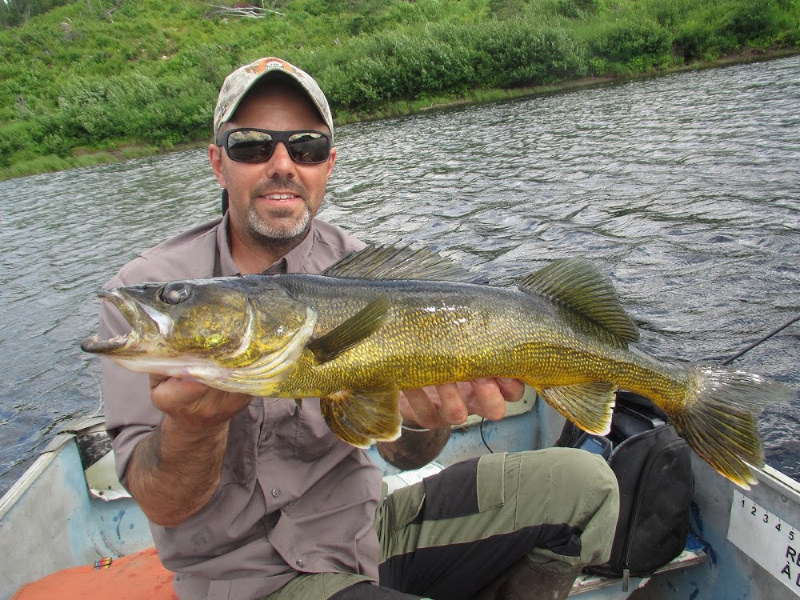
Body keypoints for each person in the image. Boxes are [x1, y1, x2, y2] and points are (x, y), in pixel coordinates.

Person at [99, 57, 619, 600]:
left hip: (364, 538)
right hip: (243, 580)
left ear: (328, 164)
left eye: (306, 147)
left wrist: (426, 419)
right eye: (252, 145)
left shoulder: (366, 270)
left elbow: (403, 456)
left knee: (587, 488)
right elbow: (164, 504)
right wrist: (193, 427)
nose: (282, 164)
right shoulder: (151, 289)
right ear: (216, 162)